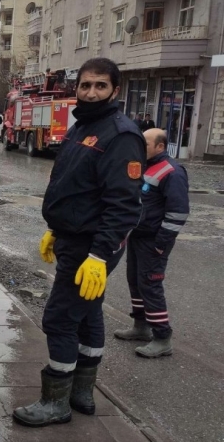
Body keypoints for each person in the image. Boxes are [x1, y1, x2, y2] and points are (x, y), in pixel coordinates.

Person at [13, 58, 146, 428]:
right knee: (87, 314)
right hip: (74, 239)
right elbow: (74, 186)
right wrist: (56, 228)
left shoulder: (120, 135)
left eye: (100, 86)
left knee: (58, 318)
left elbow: (124, 206)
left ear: (114, 90)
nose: (91, 92)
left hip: (92, 247)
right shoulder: (81, 127)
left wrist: (99, 256)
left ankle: (55, 402)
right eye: (86, 85)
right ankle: (82, 392)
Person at [114, 128, 189, 358]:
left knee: (150, 285)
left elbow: (178, 213)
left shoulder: (173, 172)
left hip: (153, 241)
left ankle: (162, 337)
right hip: (137, 236)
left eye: (145, 143)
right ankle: (141, 327)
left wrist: (161, 243)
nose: (140, 146)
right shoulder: (143, 165)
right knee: (136, 282)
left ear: (160, 146)